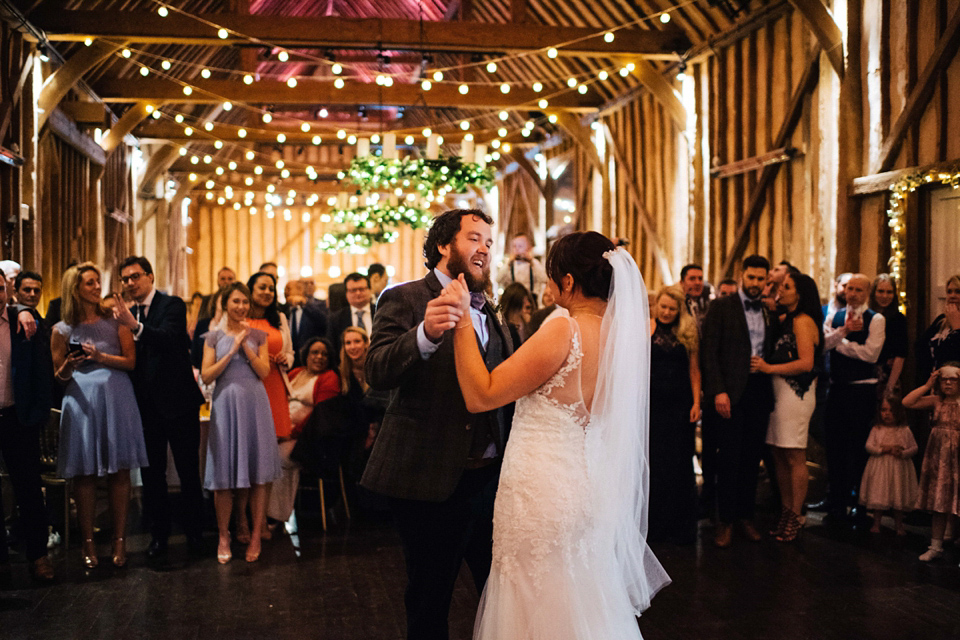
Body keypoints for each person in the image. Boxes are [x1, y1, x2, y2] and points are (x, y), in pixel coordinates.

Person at [444, 230, 669, 638]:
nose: (547, 288)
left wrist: (461, 320)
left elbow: (482, 394)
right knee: (577, 593)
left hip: (540, 492)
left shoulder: (564, 328)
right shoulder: (623, 337)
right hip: (584, 487)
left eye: (551, 277)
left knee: (536, 599)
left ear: (568, 282)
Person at [361, 209, 514, 640]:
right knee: (430, 598)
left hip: (489, 481)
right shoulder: (405, 298)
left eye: (488, 240)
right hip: (428, 479)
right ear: (444, 246)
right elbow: (376, 370)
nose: (484, 247)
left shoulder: (490, 308)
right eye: (473, 238)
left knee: (500, 593)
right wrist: (424, 335)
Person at [52, 262, 148, 569]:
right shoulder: (61, 329)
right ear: (75, 289)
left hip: (117, 396)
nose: (97, 287)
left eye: (97, 282)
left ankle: (120, 539)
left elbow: (131, 362)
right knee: (85, 474)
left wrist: (100, 356)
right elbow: (59, 376)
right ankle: (88, 543)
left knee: (119, 471)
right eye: (90, 283)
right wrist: (69, 362)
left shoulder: (115, 320)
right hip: (82, 401)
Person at [116, 256, 206, 559]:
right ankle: (159, 537)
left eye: (135, 276)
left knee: (187, 472)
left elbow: (168, 338)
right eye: (125, 278)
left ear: (150, 276)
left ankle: (195, 534)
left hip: (178, 402)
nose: (130, 283)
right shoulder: (126, 314)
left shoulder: (172, 305)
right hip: (145, 406)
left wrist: (134, 326)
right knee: (152, 475)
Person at [201, 282, 281, 564]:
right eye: (236, 301)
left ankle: (256, 535)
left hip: (254, 403)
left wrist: (246, 346)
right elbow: (208, 375)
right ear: (225, 303)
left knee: (258, 474)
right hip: (225, 404)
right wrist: (231, 346)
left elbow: (263, 371)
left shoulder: (259, 335)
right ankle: (224, 535)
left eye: (244, 302)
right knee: (223, 475)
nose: (241, 307)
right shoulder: (211, 337)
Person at [700, 254, 775, 548]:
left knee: (750, 459)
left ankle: (746, 517)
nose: (756, 283)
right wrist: (718, 391)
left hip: (759, 390)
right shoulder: (722, 306)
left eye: (761, 279)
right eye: (752, 277)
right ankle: (725, 521)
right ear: (742, 275)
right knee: (728, 459)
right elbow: (709, 351)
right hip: (730, 392)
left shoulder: (768, 310)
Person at [751, 273, 822, 542]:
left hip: (796, 393)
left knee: (794, 453)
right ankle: (785, 510)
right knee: (779, 453)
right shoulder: (783, 321)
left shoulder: (803, 322)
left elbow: (806, 363)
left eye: (788, 287)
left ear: (801, 294)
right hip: (778, 393)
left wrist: (769, 368)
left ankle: (796, 515)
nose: (782, 291)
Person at [0, 269, 54, 581]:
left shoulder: (23, 322)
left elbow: (40, 372)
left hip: (17, 418)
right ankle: (2, 560)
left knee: (30, 490)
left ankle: (39, 556)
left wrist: (38, 415)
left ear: (7, 288)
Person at [822, 273, 886, 524]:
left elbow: (871, 354)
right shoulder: (834, 315)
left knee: (859, 449)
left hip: (862, 391)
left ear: (867, 293)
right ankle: (836, 503)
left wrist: (841, 342)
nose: (853, 293)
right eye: (850, 288)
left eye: (859, 289)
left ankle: (860, 504)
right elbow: (824, 344)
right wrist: (844, 333)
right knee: (835, 447)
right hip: (837, 389)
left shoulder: (876, 319)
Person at [648, 285, 701, 545]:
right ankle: (654, 526)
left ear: (679, 310)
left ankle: (679, 527)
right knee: (656, 463)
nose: (667, 312)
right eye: (663, 307)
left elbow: (694, 370)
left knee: (680, 463)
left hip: (680, 406)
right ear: (656, 305)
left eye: (672, 308)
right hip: (653, 406)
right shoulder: (645, 328)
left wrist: (696, 402)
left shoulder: (687, 332)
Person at [270, 337, 340, 525]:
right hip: (280, 430)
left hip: (307, 439)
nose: (319, 357)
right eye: (314, 352)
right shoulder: (295, 373)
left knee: (278, 458)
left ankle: (275, 516)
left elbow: (319, 417)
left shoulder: (329, 378)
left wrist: (289, 434)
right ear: (306, 355)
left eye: (324, 354)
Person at [244, 271, 293, 538]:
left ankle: (261, 521)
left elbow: (292, 352)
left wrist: (288, 358)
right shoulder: (240, 316)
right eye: (262, 287)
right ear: (250, 289)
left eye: (271, 289)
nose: (267, 292)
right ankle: (246, 521)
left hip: (275, 386)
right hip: (250, 387)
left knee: (268, 461)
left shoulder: (279, 318)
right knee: (249, 458)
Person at [905, 364, 960, 562]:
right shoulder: (937, 401)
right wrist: (928, 384)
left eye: (953, 379)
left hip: (957, 457)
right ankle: (935, 546)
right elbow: (907, 402)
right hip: (940, 458)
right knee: (940, 502)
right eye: (944, 379)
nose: (948, 383)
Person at [859, 396, 918, 535]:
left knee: (898, 496)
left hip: (898, 469)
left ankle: (899, 524)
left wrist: (903, 454)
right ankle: (876, 523)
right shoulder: (877, 429)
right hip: (880, 468)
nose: (887, 413)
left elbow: (914, 448)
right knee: (879, 495)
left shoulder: (904, 430)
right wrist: (882, 450)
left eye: (891, 410)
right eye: (884, 410)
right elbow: (868, 446)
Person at [870, 274, 908, 399]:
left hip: (888, 375)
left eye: (889, 292)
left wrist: (890, 386)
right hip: (865, 375)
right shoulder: (866, 316)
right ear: (874, 292)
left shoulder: (898, 319)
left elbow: (900, 355)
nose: (884, 296)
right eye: (880, 291)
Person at [918, 275, 960, 382]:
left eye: (958, 291)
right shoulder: (940, 321)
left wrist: (956, 329)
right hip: (937, 384)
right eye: (949, 292)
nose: (952, 296)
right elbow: (921, 345)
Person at [328, 272, 376, 351]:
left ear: (370, 290)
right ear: (346, 293)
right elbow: (333, 348)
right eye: (353, 290)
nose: (358, 293)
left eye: (361, 289)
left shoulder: (380, 313)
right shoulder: (336, 319)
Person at [287, 279, 328, 367]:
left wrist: (304, 304)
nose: (309, 286)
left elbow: (324, 322)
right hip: (289, 359)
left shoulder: (318, 305)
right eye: (305, 283)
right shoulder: (286, 309)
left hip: (310, 357)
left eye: (312, 283)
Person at [497, 232, 548, 302]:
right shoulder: (509, 264)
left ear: (528, 248)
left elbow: (544, 278)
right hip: (513, 300)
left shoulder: (533, 263)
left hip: (530, 299)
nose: (517, 249)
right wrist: (508, 262)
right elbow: (499, 279)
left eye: (520, 246)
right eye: (515, 246)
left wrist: (531, 260)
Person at [680, 263, 709, 332]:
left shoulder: (705, 306)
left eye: (700, 279)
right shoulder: (678, 306)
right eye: (692, 279)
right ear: (682, 283)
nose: (697, 283)